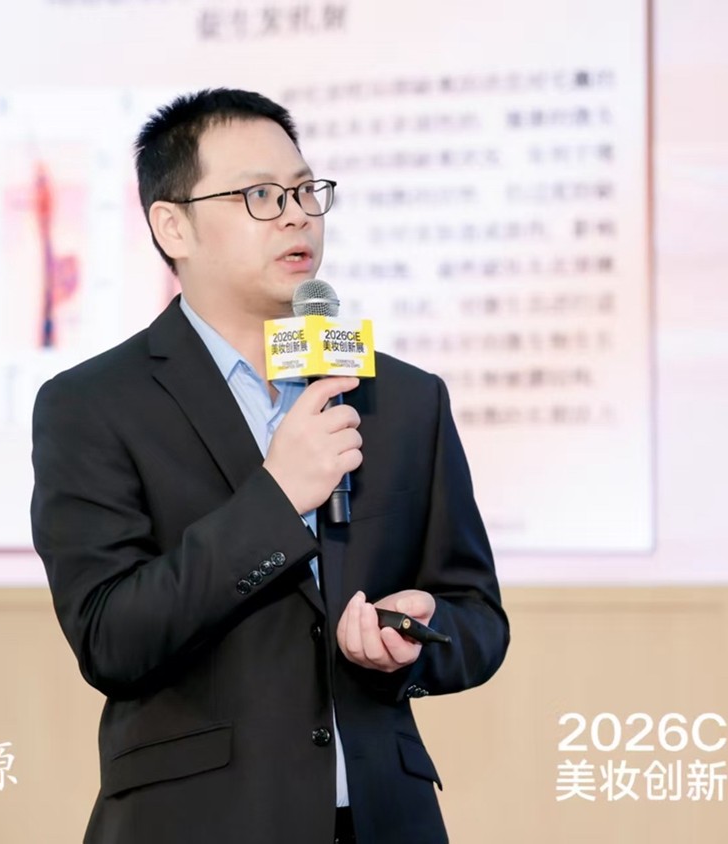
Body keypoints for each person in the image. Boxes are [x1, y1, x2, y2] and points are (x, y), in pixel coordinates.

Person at [30, 88, 509, 844]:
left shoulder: (403, 398)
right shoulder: (91, 404)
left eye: (305, 191)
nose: (296, 216)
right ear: (172, 225)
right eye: (259, 195)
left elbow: (477, 620)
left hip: (383, 820)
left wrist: (419, 635)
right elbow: (111, 640)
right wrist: (277, 498)